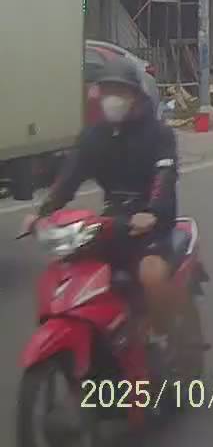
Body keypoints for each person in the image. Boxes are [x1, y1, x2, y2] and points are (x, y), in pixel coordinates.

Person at [23, 58, 182, 344]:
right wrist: (42, 212)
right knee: (72, 269)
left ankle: (164, 339)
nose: (112, 98)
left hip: (152, 223)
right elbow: (69, 178)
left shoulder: (158, 133)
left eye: (120, 91)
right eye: (107, 90)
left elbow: (164, 176)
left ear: (135, 95)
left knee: (152, 275)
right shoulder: (93, 136)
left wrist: (152, 212)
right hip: (112, 220)